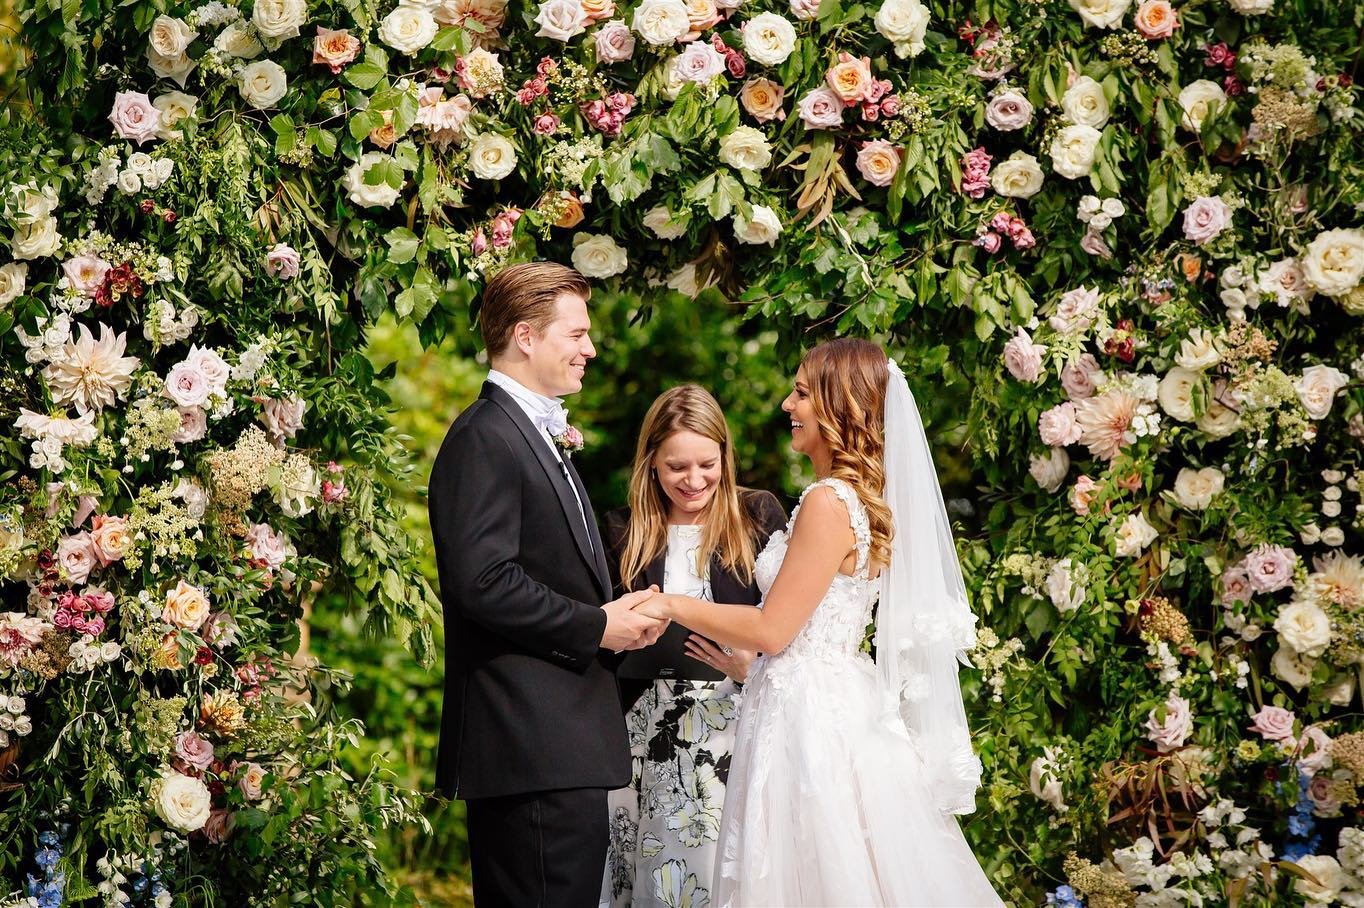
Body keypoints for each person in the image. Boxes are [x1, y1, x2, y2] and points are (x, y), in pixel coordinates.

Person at [636, 338, 1003, 906]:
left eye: (802, 392)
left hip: (810, 715)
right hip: (813, 695)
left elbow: (772, 631)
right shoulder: (854, 497)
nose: (787, 404)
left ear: (839, 405)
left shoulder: (828, 502)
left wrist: (668, 604)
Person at [427, 262, 667, 908]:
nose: (589, 349)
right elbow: (482, 581)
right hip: (528, 747)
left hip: (557, 750)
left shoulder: (532, 432)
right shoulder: (485, 437)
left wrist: (619, 608)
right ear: (526, 336)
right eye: (577, 333)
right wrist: (598, 626)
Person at [598, 385, 786, 908]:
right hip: (638, 729)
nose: (695, 480)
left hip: (732, 722)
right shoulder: (621, 528)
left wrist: (754, 664)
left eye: (708, 463)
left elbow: (791, 620)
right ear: (651, 464)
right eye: (677, 467)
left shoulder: (757, 516)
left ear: (725, 455)